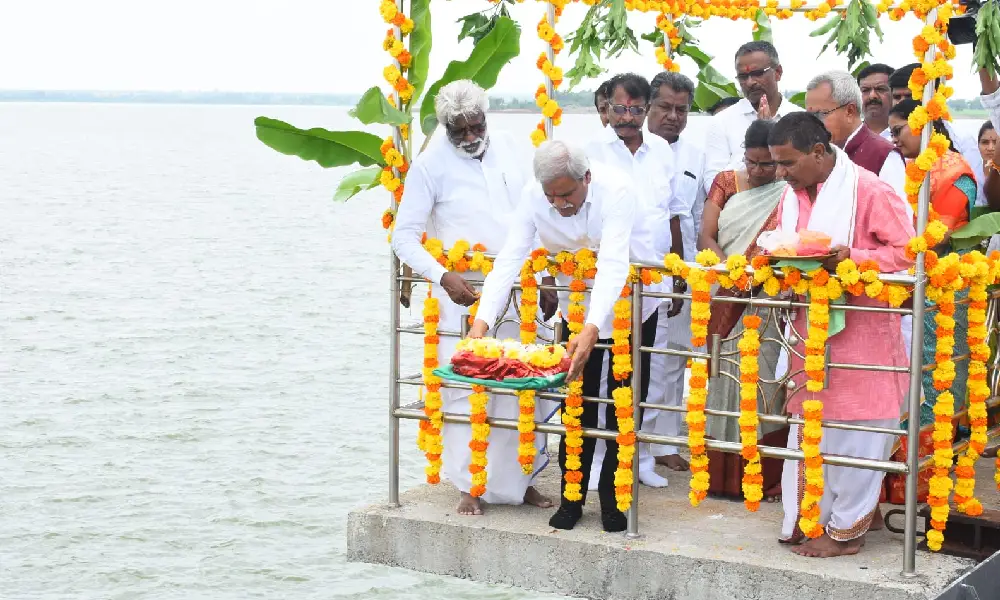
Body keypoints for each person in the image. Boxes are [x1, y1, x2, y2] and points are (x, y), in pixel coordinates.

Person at [470, 141, 662, 532]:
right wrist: (482, 323)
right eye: (551, 196)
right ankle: (571, 499)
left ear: (586, 178)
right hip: (576, 306)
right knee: (578, 404)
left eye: (567, 194)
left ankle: (613, 500)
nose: (559, 204)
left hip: (631, 301)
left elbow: (613, 263)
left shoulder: (617, 190)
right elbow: (510, 258)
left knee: (622, 407)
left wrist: (595, 327)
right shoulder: (533, 196)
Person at [391, 80, 555, 516]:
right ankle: (469, 486)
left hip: (523, 285)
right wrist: (444, 277)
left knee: (526, 384)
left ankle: (524, 482)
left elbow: (538, 210)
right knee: (468, 389)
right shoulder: (428, 166)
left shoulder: (509, 145)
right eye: (457, 130)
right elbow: (403, 238)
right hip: (462, 294)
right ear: (444, 127)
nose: (469, 137)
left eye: (474, 126)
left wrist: (549, 273)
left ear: (486, 118)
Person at [769, 112, 916, 558]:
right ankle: (810, 520)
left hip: (863, 342)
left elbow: (908, 256)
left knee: (859, 435)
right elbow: (778, 240)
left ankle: (844, 533)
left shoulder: (871, 191)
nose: (780, 173)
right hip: (808, 337)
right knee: (812, 432)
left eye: (787, 163)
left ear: (818, 152)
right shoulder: (791, 197)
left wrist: (850, 257)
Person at [583, 72, 679, 488]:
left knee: (640, 374)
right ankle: (596, 463)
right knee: (597, 379)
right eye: (619, 108)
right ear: (606, 107)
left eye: (635, 110)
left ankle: (637, 461)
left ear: (647, 110)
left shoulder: (661, 151)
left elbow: (673, 214)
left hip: (651, 283)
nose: (626, 117)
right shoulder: (589, 151)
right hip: (601, 283)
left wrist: (675, 273)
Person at [698, 120, 786, 458]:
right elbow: (705, 237)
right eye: (752, 162)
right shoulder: (725, 181)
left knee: (765, 380)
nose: (760, 170)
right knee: (725, 373)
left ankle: (766, 469)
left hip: (768, 298)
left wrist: (756, 276)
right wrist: (733, 273)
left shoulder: (788, 189)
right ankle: (721, 467)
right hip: (727, 292)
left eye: (768, 163)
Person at [888, 99, 973, 426]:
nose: (894, 140)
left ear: (924, 125)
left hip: (949, 275)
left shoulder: (955, 170)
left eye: (898, 130)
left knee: (945, 358)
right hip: (921, 272)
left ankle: (944, 432)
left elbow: (938, 235)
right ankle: (924, 432)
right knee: (924, 359)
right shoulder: (918, 169)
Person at [645, 71, 708, 472]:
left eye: (681, 109)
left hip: (686, 274)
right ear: (648, 106)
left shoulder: (696, 153)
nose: (673, 116)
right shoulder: (636, 149)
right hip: (646, 274)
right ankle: (639, 443)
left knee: (675, 360)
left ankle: (664, 442)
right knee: (646, 362)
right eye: (665, 107)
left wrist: (695, 272)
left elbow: (699, 215)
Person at [703, 40, 802, 193]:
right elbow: (713, 184)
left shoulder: (799, 120)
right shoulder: (722, 121)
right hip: (739, 212)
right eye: (743, 76)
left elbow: (807, 174)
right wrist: (759, 137)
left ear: (778, 72)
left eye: (757, 73)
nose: (750, 82)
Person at [805, 70, 907, 201]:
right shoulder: (817, 154)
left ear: (849, 111)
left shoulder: (884, 155)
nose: (813, 123)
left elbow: (900, 216)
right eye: (809, 116)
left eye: (819, 115)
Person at [856, 63, 894, 136]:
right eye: (865, 90)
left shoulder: (911, 135)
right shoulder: (848, 137)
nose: (872, 96)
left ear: (894, 93)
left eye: (880, 89)